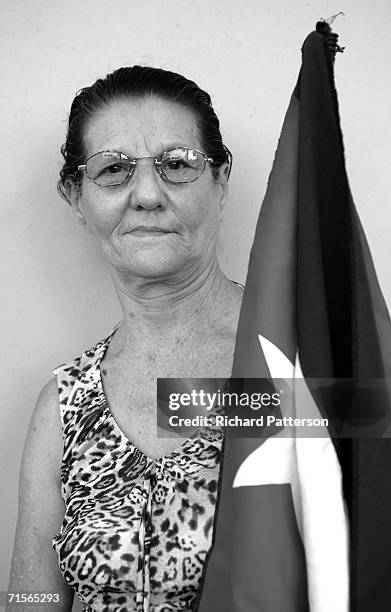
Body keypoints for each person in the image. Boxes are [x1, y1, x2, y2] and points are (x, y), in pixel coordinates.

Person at [8, 66, 243, 612]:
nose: (147, 195)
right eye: (112, 170)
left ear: (221, 180)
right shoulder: (63, 406)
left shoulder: (298, 362)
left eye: (177, 165)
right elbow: (30, 598)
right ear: (75, 196)